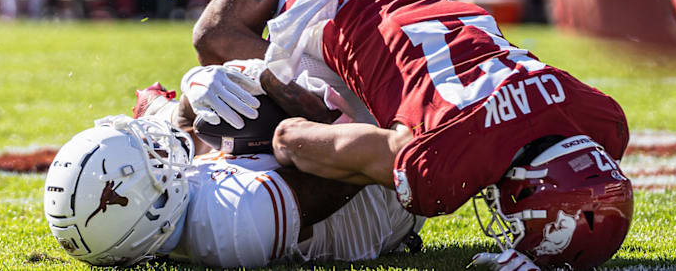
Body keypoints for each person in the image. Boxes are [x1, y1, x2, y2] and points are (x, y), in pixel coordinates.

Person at [185, 0, 633, 269]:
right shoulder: (442, 159)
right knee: (216, 39)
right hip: (332, 2)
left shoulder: (605, 122)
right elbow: (291, 141)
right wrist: (357, 144)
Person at [43, 85, 425, 267]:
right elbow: (348, 169)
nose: (158, 146)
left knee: (211, 102)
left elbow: (175, 132)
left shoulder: (157, 216)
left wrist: (195, 90)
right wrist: (268, 82)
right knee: (288, 138)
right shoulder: (235, 219)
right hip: (384, 202)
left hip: (259, 178)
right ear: (143, 201)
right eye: (149, 151)